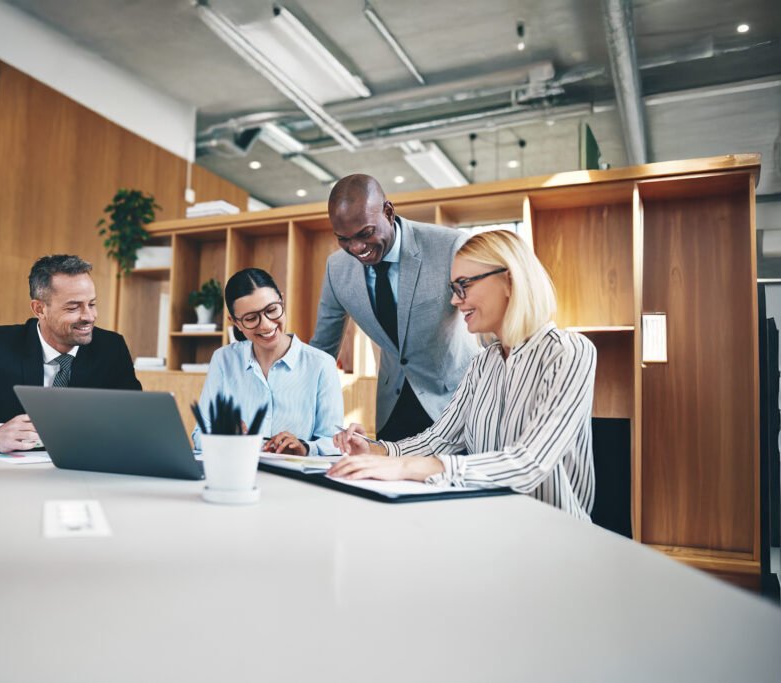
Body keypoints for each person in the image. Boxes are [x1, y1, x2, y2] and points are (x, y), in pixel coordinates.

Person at [329, 230, 597, 519]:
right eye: (454, 289)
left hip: (554, 534)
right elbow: (438, 439)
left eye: (463, 285)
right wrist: (374, 450)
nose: (455, 301)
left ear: (509, 280)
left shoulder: (569, 352)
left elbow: (529, 462)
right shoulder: (482, 365)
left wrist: (410, 467)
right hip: (490, 525)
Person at [310, 174, 479, 441]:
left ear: (388, 212)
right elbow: (322, 350)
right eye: (343, 239)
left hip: (456, 405)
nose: (356, 248)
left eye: (365, 233)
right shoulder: (337, 268)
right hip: (392, 409)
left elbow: (489, 324)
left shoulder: (449, 246)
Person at [0, 254, 142, 453]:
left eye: (91, 304)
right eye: (73, 307)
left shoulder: (111, 348)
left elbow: (136, 424)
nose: (89, 316)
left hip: (85, 474)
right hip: (8, 481)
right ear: (39, 309)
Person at [192, 268, 343, 456]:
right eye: (251, 318)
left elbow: (334, 444)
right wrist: (223, 437)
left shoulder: (321, 364)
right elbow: (199, 435)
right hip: (236, 471)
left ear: (282, 300)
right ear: (235, 322)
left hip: (295, 480)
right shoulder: (224, 360)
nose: (266, 325)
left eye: (271, 310)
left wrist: (304, 448)